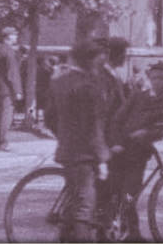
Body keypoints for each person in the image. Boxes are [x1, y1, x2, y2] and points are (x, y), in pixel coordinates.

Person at [45, 38, 109, 242]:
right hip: (85, 155)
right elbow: (94, 127)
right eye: (100, 61)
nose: (102, 66)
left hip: (66, 150)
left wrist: (64, 136)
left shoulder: (60, 81)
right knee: (84, 206)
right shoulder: (90, 87)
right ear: (91, 61)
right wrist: (101, 159)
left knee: (74, 202)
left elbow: (49, 117)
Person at [107, 60, 163, 241]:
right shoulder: (137, 96)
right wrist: (116, 142)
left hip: (138, 154)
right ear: (149, 78)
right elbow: (117, 119)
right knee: (113, 193)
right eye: (154, 77)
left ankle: (132, 234)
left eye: (162, 78)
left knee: (129, 194)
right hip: (119, 149)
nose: (158, 81)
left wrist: (146, 133)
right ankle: (120, 232)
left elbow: (162, 130)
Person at [0, 26, 23, 151]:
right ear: (7, 37)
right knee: (6, 116)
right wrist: (17, 90)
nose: (16, 37)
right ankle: (1, 142)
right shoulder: (9, 52)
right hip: (8, 89)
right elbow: (12, 73)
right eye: (14, 35)